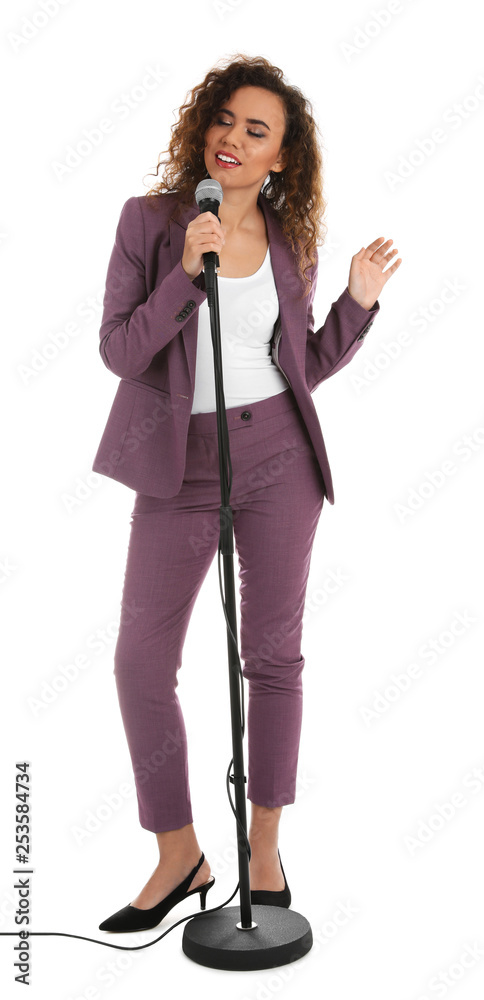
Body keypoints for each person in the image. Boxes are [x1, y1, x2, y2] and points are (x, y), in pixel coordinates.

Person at [94, 54, 401, 933]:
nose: (232, 138)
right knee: (140, 661)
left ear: (281, 161)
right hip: (176, 468)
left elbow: (300, 367)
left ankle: (263, 842)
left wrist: (357, 303)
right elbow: (121, 351)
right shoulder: (151, 223)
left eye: (255, 131)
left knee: (272, 659)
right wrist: (182, 278)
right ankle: (179, 854)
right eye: (224, 119)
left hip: (277, 461)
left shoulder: (287, 239)